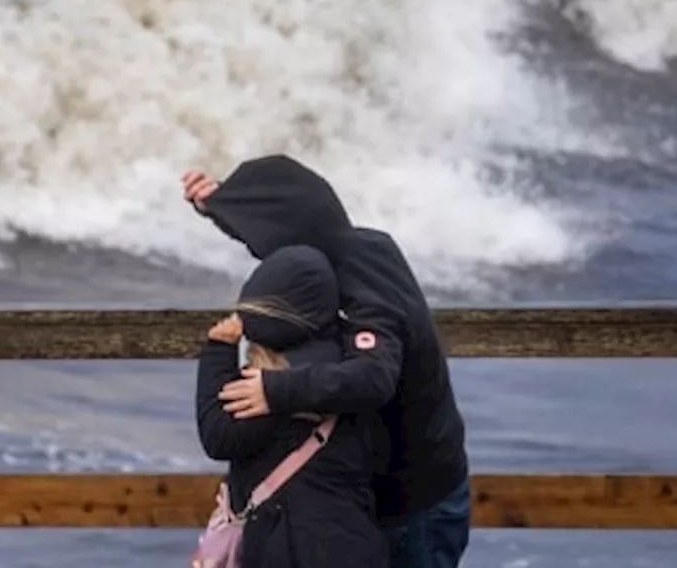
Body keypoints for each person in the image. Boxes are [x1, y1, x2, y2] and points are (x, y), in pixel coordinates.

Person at [182, 154, 471, 568]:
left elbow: (374, 376)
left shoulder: (366, 281)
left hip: (415, 494)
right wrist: (222, 208)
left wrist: (274, 390)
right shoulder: (344, 248)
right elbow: (284, 231)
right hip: (376, 486)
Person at [196, 244, 387, 568]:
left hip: (290, 544)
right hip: (353, 538)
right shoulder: (352, 368)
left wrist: (218, 353)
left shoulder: (271, 384)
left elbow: (219, 436)